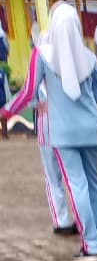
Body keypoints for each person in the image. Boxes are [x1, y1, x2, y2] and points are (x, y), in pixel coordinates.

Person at [1, 2, 97, 260]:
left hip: (63, 132)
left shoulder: (41, 54)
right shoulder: (89, 57)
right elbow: (96, 94)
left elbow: (28, 91)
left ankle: (91, 246)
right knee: (96, 184)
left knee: (77, 185)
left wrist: (5, 111)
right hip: (91, 129)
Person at [5, 26, 76, 235]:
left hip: (47, 127)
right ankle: (83, 221)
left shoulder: (39, 63)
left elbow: (29, 93)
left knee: (52, 177)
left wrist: (7, 110)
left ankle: (61, 221)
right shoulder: (67, 65)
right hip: (67, 126)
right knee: (73, 176)